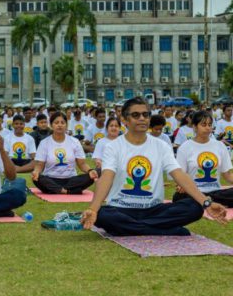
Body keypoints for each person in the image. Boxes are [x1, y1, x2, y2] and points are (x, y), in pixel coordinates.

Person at [81, 97, 228, 236]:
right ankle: (161, 230)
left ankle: (132, 229)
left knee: (195, 207)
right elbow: (106, 177)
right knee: (102, 214)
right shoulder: (113, 147)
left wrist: (206, 202)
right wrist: (93, 209)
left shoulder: (161, 146)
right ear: (124, 120)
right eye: (136, 115)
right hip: (121, 209)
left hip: (154, 209)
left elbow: (179, 174)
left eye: (145, 114)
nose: (142, 119)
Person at [173, 110, 233, 206]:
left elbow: (228, 175)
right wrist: (181, 185)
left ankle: (207, 201)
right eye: (203, 125)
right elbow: (181, 175)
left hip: (215, 192)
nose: (208, 128)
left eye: (210, 125)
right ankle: (206, 201)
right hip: (193, 192)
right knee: (178, 197)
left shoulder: (219, 146)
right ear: (195, 127)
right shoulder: (185, 147)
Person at [32, 112, 98, 194]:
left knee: (90, 177)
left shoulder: (75, 142)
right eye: (56, 123)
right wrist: (36, 172)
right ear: (51, 125)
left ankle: (57, 190)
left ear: (66, 125)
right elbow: (39, 165)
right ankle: (67, 191)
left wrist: (90, 170)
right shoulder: (44, 143)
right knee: (38, 179)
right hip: (50, 179)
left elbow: (82, 164)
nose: (59, 125)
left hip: (71, 180)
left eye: (62, 123)